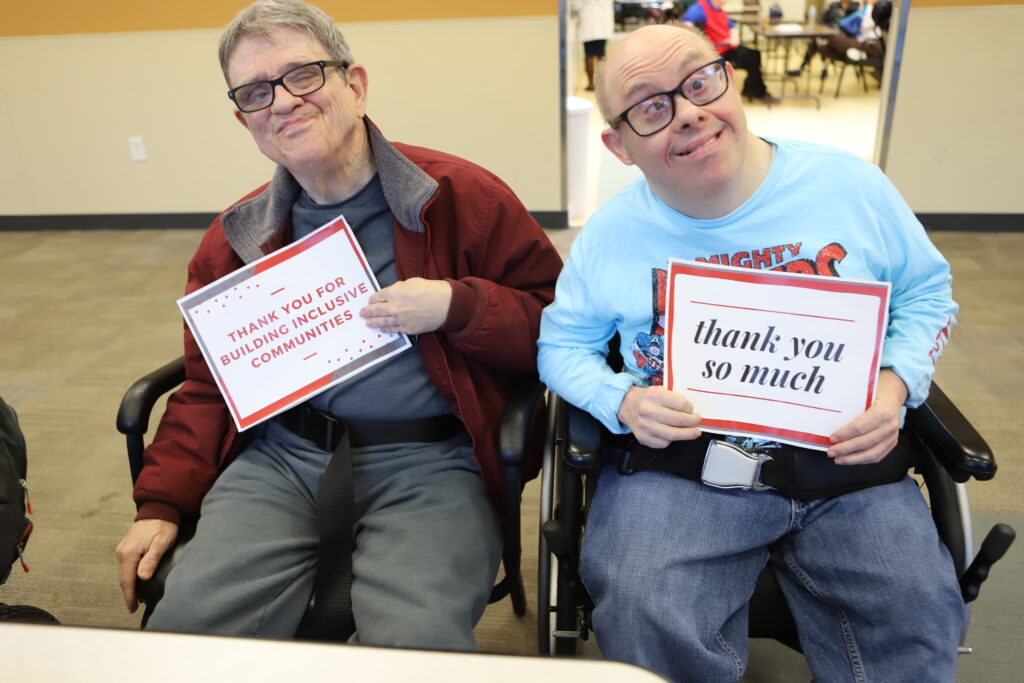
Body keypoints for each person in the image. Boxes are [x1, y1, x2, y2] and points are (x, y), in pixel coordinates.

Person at [114, 0, 562, 650]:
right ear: (244, 119)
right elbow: (210, 388)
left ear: (354, 84)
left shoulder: (464, 198)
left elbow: (557, 328)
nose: (283, 103)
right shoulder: (238, 237)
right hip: (281, 457)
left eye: (303, 75)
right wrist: (160, 502)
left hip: (432, 460)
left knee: (414, 643)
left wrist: (457, 305)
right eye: (256, 92)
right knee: (188, 631)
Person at [538, 23, 964, 682]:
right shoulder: (612, 236)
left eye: (700, 80)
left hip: (844, 459)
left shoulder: (852, 189)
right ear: (619, 146)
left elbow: (927, 294)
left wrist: (896, 384)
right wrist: (621, 399)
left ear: (729, 76)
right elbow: (560, 346)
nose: (690, 114)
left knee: (919, 610)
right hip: (687, 465)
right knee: (644, 603)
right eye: (652, 106)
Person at [681, 0, 779, 104]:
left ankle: (750, 89)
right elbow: (686, 25)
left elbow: (731, 26)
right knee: (751, 57)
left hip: (728, 46)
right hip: (719, 52)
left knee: (755, 54)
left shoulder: (718, 9)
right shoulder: (699, 9)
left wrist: (734, 37)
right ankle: (759, 93)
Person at [573, 0, 615, 91]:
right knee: (601, 53)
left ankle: (591, 84)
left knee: (589, 54)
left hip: (588, 21)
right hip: (603, 20)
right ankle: (602, 84)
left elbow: (576, 5)